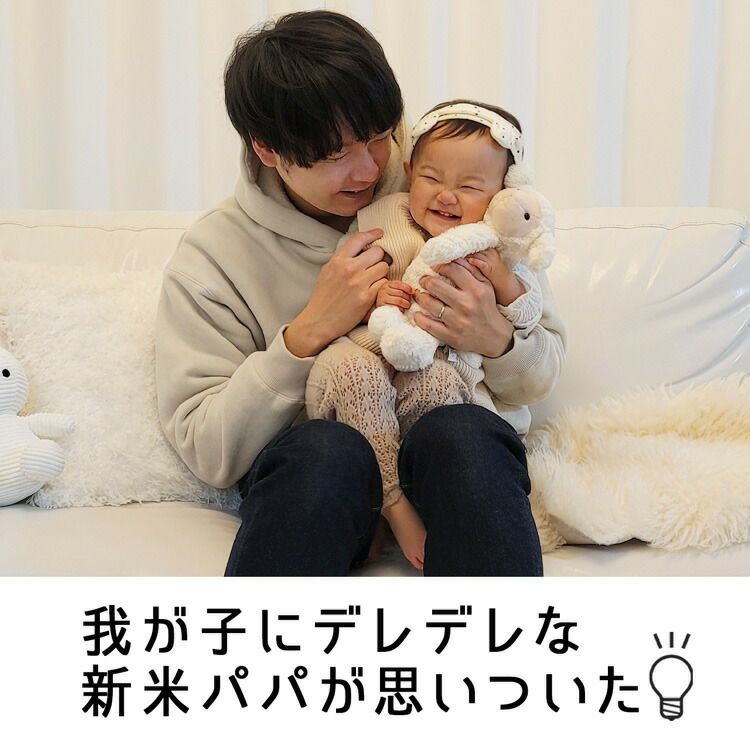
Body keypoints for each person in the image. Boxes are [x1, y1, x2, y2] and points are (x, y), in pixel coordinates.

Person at [155, 10, 566, 576]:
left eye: (379, 138)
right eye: (335, 155)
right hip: (326, 478)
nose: (369, 170)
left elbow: (544, 368)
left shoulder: (447, 183)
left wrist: (495, 338)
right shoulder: (213, 255)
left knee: (463, 433)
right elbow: (207, 448)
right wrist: (307, 335)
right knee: (325, 450)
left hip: (451, 455)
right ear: (268, 150)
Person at [305, 100, 549, 571]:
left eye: (470, 187)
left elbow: (528, 315)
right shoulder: (378, 218)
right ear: (409, 171)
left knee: (438, 387)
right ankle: (390, 504)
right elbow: (342, 290)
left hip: (437, 374)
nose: (446, 197)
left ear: (504, 192)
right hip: (371, 359)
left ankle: (425, 500)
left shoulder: (499, 246)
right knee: (354, 372)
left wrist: (502, 285)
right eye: (432, 179)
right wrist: (378, 298)